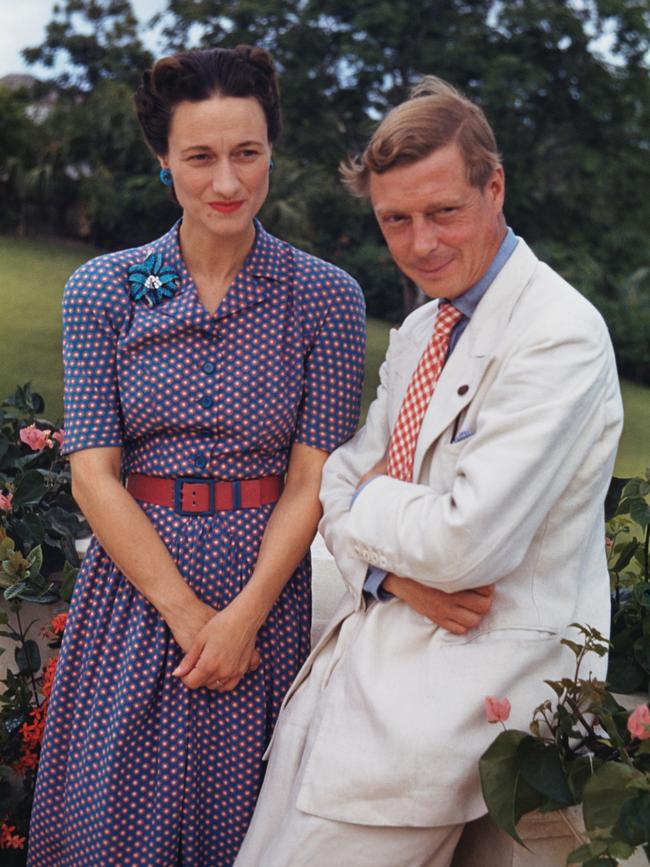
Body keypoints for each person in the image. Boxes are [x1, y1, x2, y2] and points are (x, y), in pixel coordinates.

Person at [235, 76, 624, 867]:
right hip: (373, 665)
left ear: (495, 186)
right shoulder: (422, 329)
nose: (421, 243)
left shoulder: (558, 335)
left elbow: (462, 543)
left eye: (444, 210)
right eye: (396, 220)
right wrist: (390, 578)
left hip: (466, 694)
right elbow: (332, 487)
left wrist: (369, 496)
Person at [27, 46, 367, 866]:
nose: (227, 182)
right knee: (108, 827)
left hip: (266, 591)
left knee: (242, 827)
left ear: (272, 153)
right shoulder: (104, 290)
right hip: (136, 588)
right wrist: (186, 614)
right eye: (201, 157)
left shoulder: (327, 296)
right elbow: (92, 473)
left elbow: (311, 477)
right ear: (162, 160)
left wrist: (241, 618)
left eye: (247, 154)